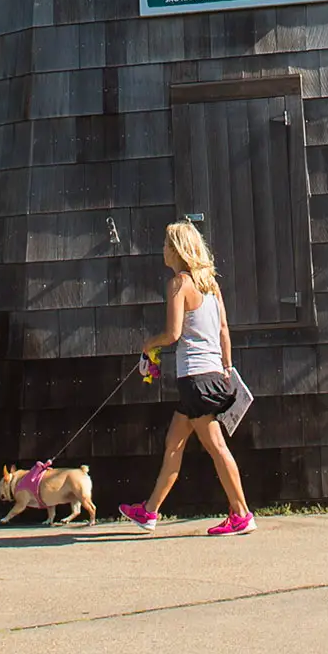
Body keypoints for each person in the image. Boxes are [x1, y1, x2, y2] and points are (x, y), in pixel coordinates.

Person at [120, 221, 253, 536]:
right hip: (210, 375)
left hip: (193, 378)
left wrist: (147, 345)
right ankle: (150, 511)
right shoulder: (210, 284)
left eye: (166, 245)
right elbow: (223, 330)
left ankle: (242, 515)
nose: (162, 251)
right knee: (173, 443)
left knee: (217, 446)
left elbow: (173, 334)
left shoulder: (179, 284)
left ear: (177, 250)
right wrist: (227, 367)